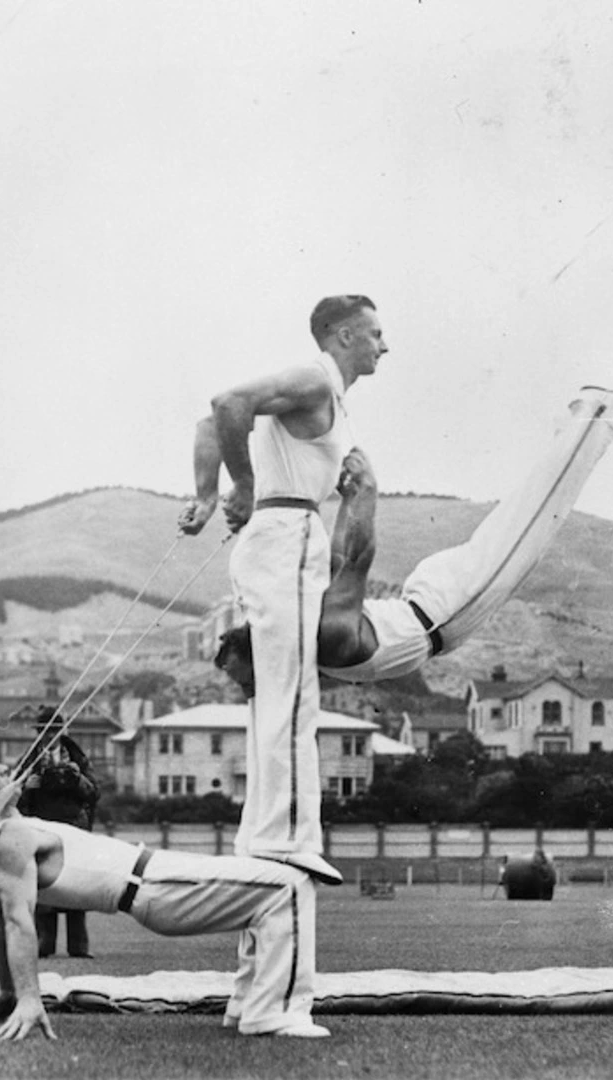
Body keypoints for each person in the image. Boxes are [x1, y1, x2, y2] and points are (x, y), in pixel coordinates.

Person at [214, 386, 613, 688]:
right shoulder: (309, 627)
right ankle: (577, 425)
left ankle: (597, 412)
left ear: (268, 654)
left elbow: (358, 557)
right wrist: (351, 498)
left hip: (446, 610)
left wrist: (364, 491)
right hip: (428, 601)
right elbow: (340, 558)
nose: (252, 694)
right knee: (527, 516)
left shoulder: (327, 636)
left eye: (249, 682)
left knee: (534, 520)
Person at [179, 295, 388, 886]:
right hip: (286, 532)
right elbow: (225, 404)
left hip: (284, 536)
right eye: (374, 333)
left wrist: (204, 495)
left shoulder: (325, 397)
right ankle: (288, 839)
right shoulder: (314, 378)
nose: (384, 345)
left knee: (278, 691)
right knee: (294, 696)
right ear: (343, 336)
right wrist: (240, 485)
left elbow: (206, 424)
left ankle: (265, 836)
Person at [0, 746, 329, 1042]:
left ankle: (249, 1005)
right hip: (155, 887)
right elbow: (14, 920)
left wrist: (9, 991)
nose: (5, 767)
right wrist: (29, 998)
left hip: (159, 878)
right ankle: (270, 1014)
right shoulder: (9, 839)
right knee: (290, 885)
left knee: (272, 888)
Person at [17, 706, 100, 960]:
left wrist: (76, 779)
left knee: (76, 885)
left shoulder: (78, 758)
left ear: (63, 731)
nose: (49, 735)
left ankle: (78, 946)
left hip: (74, 829)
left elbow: (94, 793)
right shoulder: (29, 760)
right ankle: (45, 943)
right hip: (42, 828)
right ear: (38, 733)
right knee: (44, 886)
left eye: (53, 730)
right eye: (44, 731)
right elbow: (13, 799)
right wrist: (27, 788)